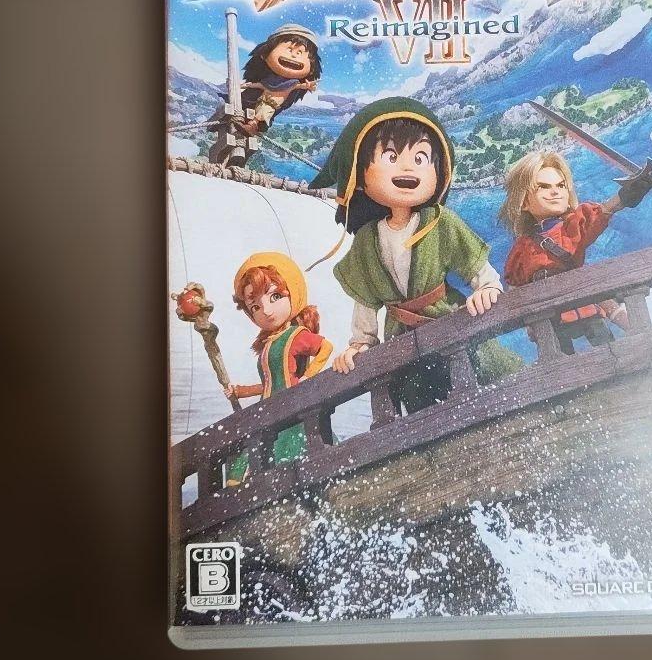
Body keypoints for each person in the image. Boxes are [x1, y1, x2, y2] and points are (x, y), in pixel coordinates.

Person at [308, 97, 520, 412]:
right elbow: (366, 301)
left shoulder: (440, 222)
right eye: (391, 156)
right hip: (402, 341)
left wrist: (487, 288)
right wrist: (361, 343)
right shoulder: (367, 241)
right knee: (420, 404)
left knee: (487, 383)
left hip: (449, 322)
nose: (408, 167)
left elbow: (476, 266)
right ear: (360, 172)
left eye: (421, 157)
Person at [499, 150, 650, 354]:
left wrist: (624, 197)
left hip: (585, 306)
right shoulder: (522, 248)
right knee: (561, 361)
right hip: (551, 319)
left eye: (560, 185)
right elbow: (514, 286)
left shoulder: (572, 227)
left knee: (609, 351)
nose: (555, 192)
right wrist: (527, 320)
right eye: (543, 187)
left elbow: (600, 213)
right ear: (524, 201)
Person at [222, 252, 332, 487]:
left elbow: (325, 347)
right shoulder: (268, 344)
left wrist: (308, 377)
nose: (266, 310)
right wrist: (240, 391)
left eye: (275, 296)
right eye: (255, 306)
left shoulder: (296, 335)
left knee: (285, 455)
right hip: (267, 409)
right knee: (245, 462)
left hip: (290, 409)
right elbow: (269, 383)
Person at [235, 25, 322, 136]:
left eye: (299, 52)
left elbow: (300, 86)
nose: (293, 55)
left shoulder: (291, 84)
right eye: (289, 49)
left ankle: (252, 126)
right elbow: (258, 85)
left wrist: (309, 86)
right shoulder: (269, 81)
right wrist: (243, 85)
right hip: (259, 101)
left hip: (270, 105)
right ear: (264, 54)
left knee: (263, 113)